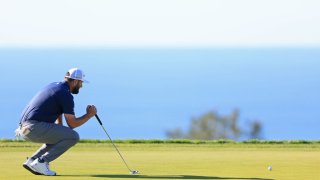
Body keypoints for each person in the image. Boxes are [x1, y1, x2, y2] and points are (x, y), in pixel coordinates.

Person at [15, 68, 97, 176]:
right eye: (81, 82)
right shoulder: (66, 95)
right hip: (35, 127)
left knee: (61, 136)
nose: (81, 86)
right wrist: (89, 115)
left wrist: (59, 126)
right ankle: (42, 162)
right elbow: (72, 124)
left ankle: (32, 160)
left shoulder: (53, 86)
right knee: (73, 136)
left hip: (23, 129)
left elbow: (58, 109)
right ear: (76, 81)